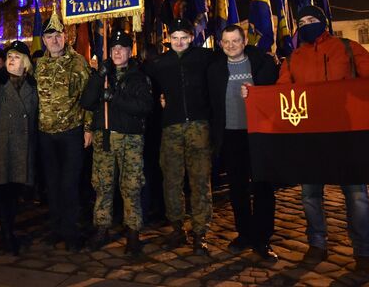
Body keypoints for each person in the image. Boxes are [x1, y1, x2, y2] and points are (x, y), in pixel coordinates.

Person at [265, 5, 369, 275]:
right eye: (301, 21)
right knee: (310, 194)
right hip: (310, 136)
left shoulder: (347, 48)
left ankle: (364, 250)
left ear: (323, 22)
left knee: (356, 194)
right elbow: (281, 93)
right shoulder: (293, 58)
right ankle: (317, 243)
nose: (306, 24)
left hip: (345, 133)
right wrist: (254, 96)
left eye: (312, 19)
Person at [208, 24, 279, 261]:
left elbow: (276, 92)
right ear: (221, 44)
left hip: (258, 133)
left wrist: (257, 91)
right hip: (230, 134)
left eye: (235, 41)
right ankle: (244, 234)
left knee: (263, 186)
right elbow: (206, 99)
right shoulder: (215, 68)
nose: (230, 46)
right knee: (237, 188)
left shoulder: (262, 63)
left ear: (244, 40)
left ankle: (263, 238)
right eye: (226, 42)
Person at [144, 18, 214, 255]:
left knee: (200, 181)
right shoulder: (160, 63)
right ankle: (177, 227)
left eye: (184, 37)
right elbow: (145, 86)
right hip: (171, 127)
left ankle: (200, 231)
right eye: (175, 38)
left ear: (191, 37)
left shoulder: (204, 58)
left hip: (199, 125)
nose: (179, 42)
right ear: (169, 39)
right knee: (172, 180)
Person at [80, 30, 153, 255]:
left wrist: (114, 98)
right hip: (105, 138)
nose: (117, 52)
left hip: (130, 138)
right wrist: (97, 76)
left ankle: (133, 232)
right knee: (102, 185)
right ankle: (102, 228)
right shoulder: (104, 75)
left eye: (122, 49)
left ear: (129, 51)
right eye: (113, 49)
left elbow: (144, 106)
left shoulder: (138, 75)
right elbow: (87, 101)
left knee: (131, 186)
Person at [35, 12, 91, 251]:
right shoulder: (39, 65)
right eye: (50, 36)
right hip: (46, 134)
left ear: (65, 37)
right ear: (44, 40)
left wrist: (88, 128)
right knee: (53, 183)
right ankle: (56, 228)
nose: (54, 40)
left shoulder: (78, 62)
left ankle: (71, 231)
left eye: (58, 35)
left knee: (69, 184)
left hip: (71, 131)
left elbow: (88, 98)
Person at [0, 41, 38, 255]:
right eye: (9, 56)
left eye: (16, 56)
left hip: (23, 146)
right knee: (2, 190)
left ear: (25, 62)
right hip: (1, 145)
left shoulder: (33, 86)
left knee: (15, 190)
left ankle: (9, 228)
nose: (11, 59)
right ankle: (7, 233)